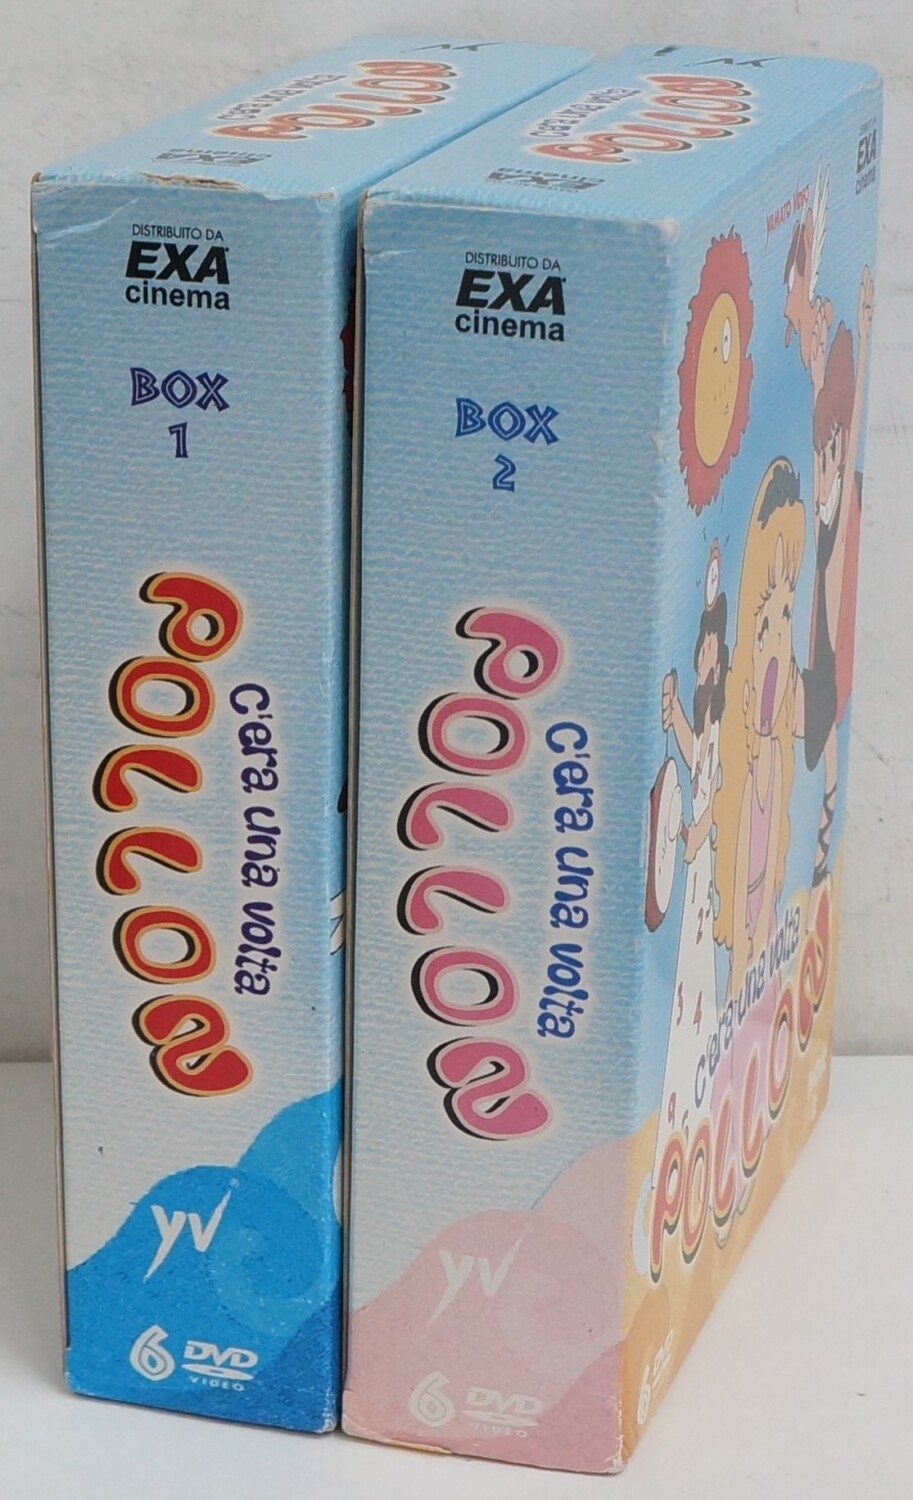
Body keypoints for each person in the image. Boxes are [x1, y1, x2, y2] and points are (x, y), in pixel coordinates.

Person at [652, 547, 729, 1186]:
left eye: (707, 653)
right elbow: (685, 740)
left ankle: (692, 1113)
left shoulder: (721, 734)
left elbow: (714, 797)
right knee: (685, 984)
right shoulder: (703, 725)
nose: (702, 659)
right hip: (692, 871)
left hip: (702, 880)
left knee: (695, 981)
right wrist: (674, 704)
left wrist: (692, 833)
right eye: (700, 649)